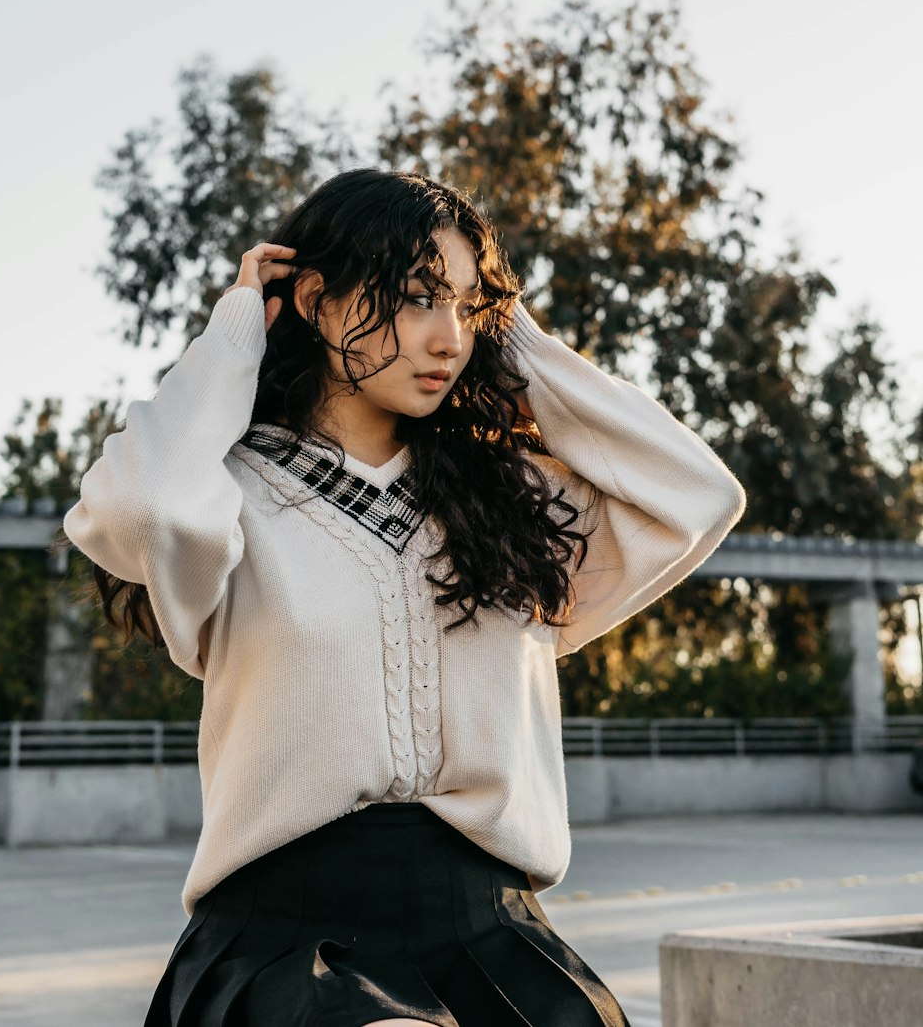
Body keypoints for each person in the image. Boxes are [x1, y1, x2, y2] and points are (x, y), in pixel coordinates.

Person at [64, 167, 747, 1027]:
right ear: (315, 300)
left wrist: (515, 338)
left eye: (467, 307)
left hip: (489, 933)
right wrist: (237, 334)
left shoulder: (515, 507)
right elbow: (141, 508)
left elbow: (700, 497)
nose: (448, 338)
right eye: (421, 297)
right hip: (290, 943)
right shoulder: (221, 497)